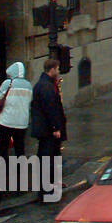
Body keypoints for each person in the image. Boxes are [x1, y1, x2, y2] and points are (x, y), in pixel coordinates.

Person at [29, 57, 67, 203]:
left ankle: (51, 185)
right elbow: (51, 109)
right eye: (57, 69)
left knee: (50, 157)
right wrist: (55, 127)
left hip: (45, 129)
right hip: (47, 130)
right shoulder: (46, 86)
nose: (58, 71)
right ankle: (46, 188)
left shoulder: (45, 84)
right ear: (51, 70)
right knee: (48, 159)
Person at [0, 61, 32, 163]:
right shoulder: (28, 85)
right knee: (20, 147)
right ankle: (20, 170)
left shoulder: (8, 83)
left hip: (7, 121)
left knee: (3, 147)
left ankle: (2, 169)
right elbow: (30, 101)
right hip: (22, 122)